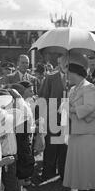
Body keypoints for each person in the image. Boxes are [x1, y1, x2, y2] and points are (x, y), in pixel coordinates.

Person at [60, 54, 95, 191]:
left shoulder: (89, 87)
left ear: (74, 74)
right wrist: (66, 107)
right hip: (78, 132)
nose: (66, 77)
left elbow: (89, 107)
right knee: (80, 167)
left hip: (90, 133)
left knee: (93, 167)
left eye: (68, 74)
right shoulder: (73, 89)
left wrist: (70, 108)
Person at [37, 55, 69, 183]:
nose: (66, 64)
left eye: (68, 62)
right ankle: (48, 172)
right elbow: (43, 97)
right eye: (63, 62)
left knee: (65, 147)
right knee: (51, 147)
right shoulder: (50, 78)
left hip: (68, 118)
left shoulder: (74, 78)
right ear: (59, 62)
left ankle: (64, 173)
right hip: (52, 117)